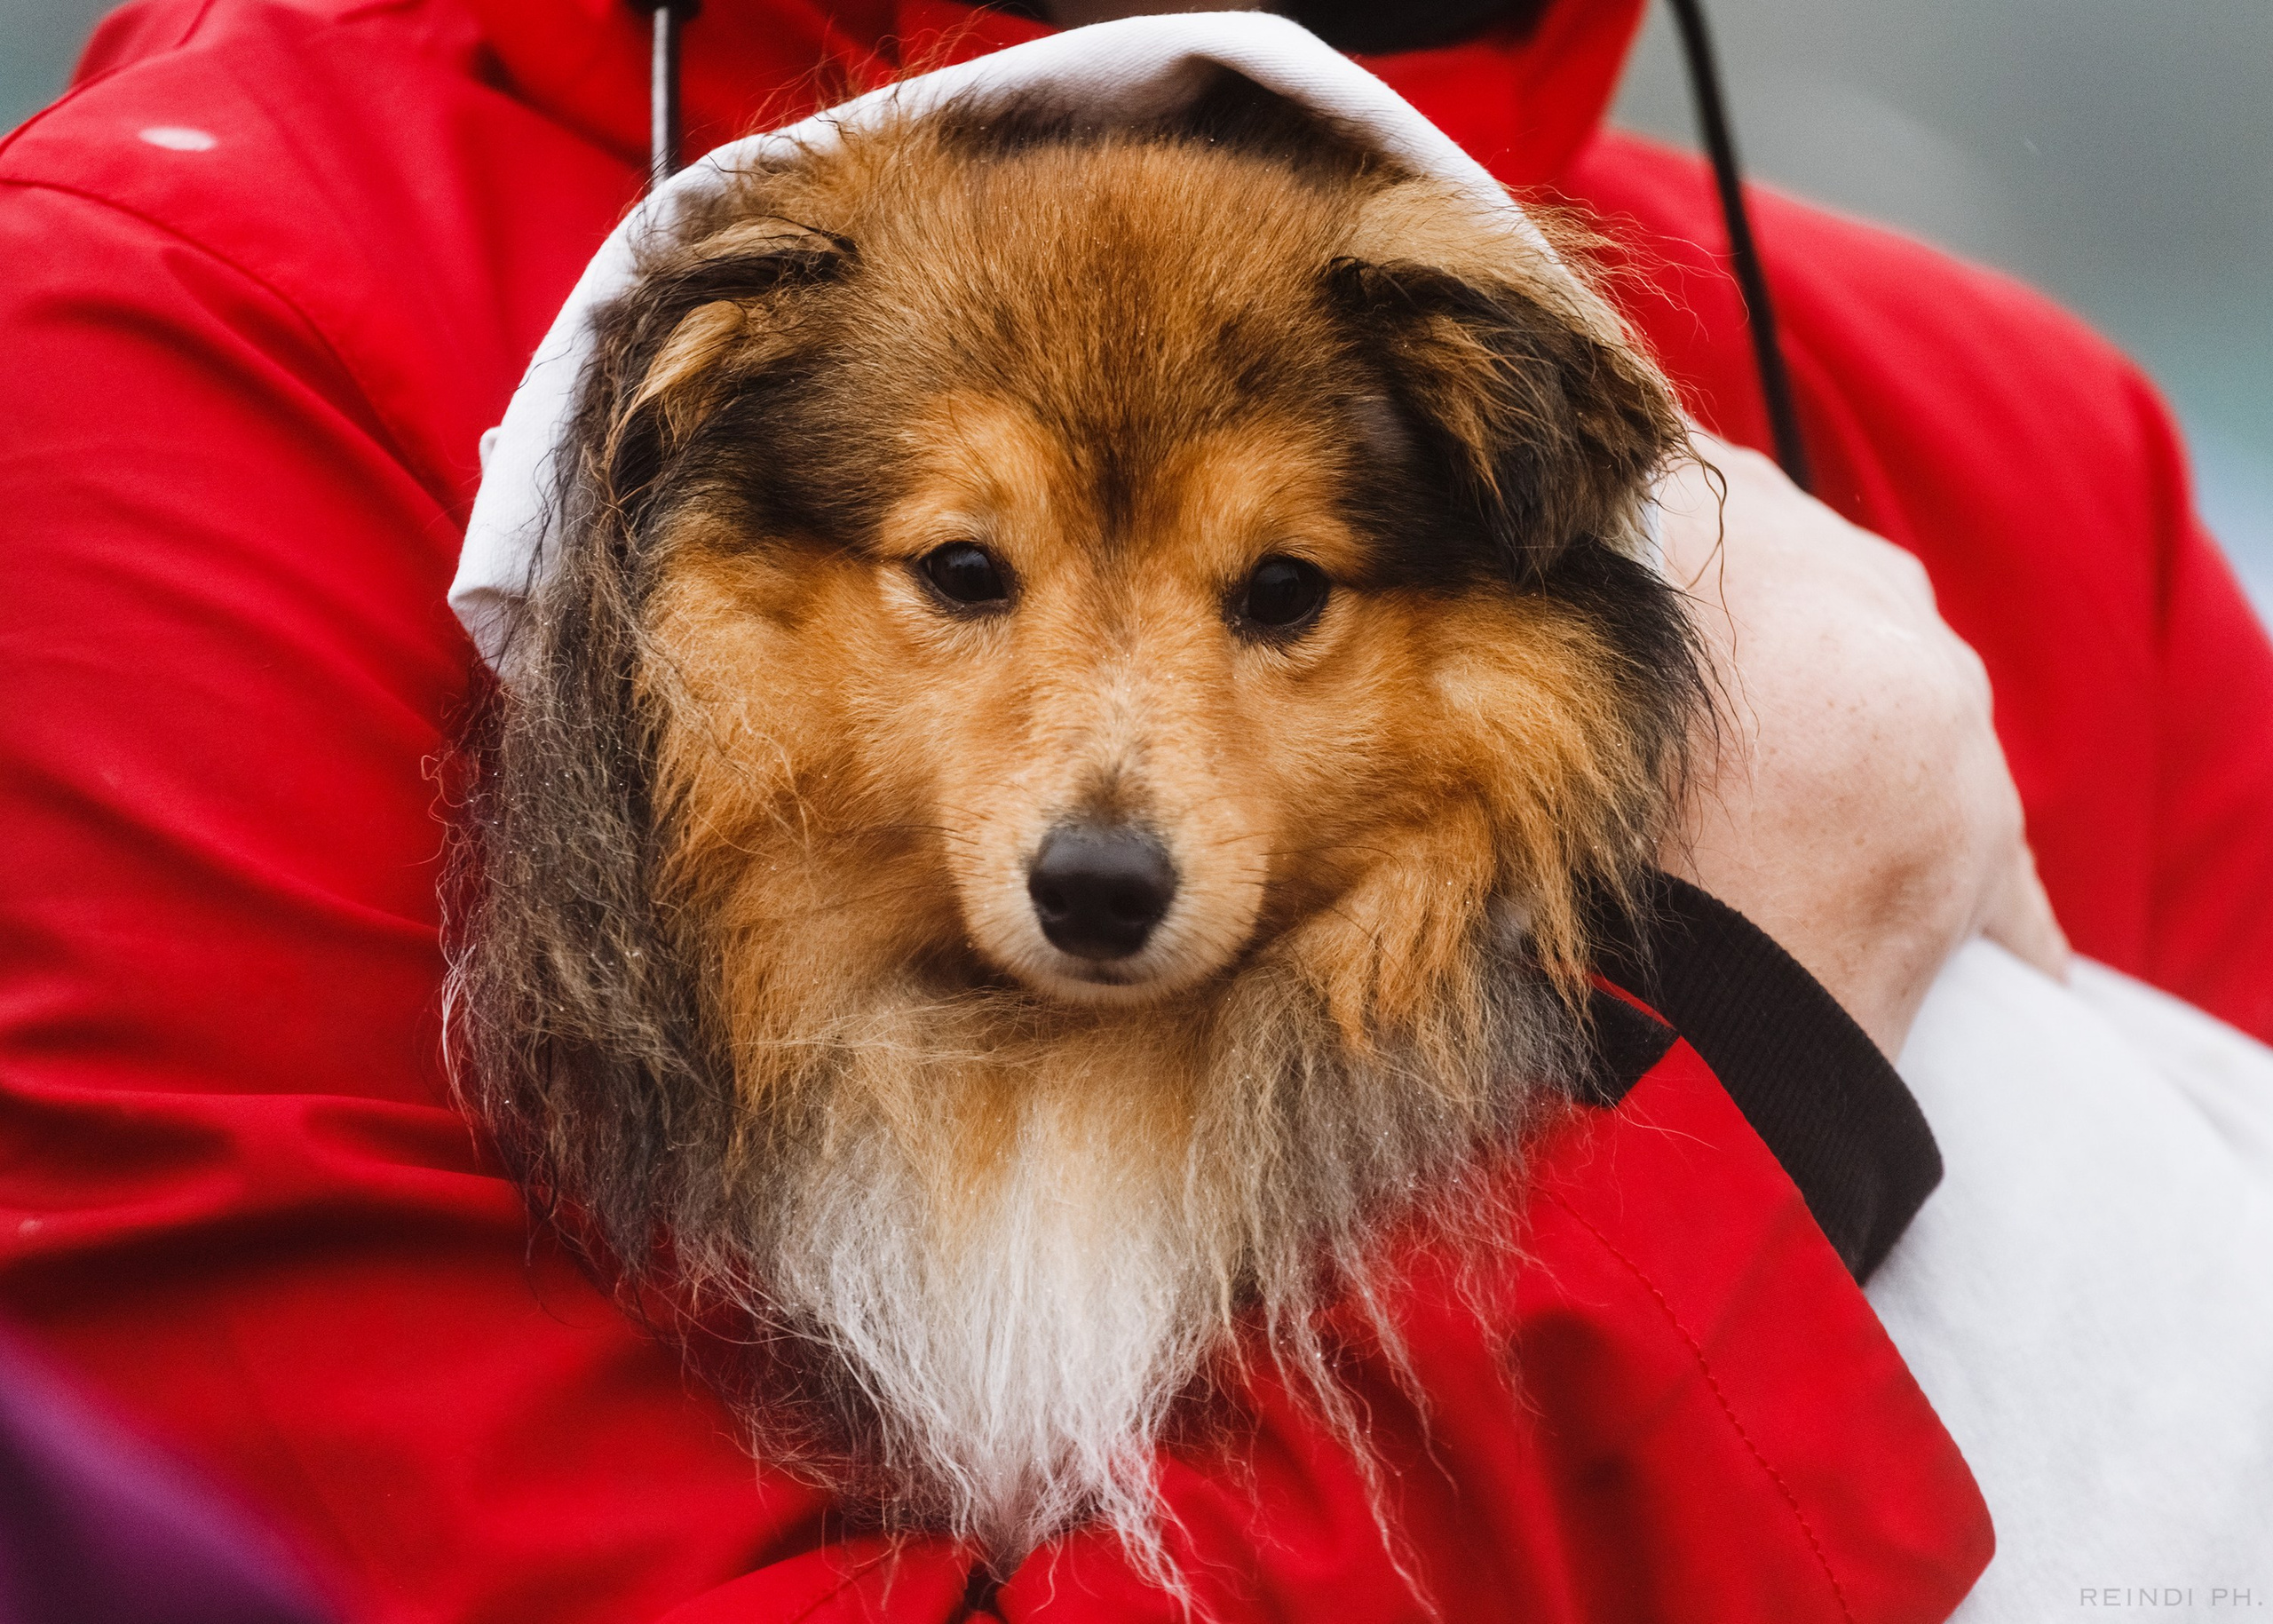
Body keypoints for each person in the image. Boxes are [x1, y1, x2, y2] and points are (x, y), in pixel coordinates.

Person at [0, 0, 2264, 1619]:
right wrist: (1744, 1070)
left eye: (1279, 591)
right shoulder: (166, 360)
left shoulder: (2032, 452)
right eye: (958, 579)